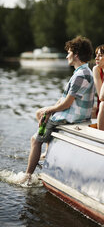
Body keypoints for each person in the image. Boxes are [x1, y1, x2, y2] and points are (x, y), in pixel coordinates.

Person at [20, 36, 95, 184]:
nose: (67, 56)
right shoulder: (82, 72)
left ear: (76, 55)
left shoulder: (81, 75)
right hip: (75, 113)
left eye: (69, 53)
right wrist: (49, 109)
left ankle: (27, 176)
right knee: (40, 113)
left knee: (34, 140)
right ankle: (48, 149)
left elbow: (66, 104)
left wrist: (49, 111)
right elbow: (63, 99)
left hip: (74, 116)